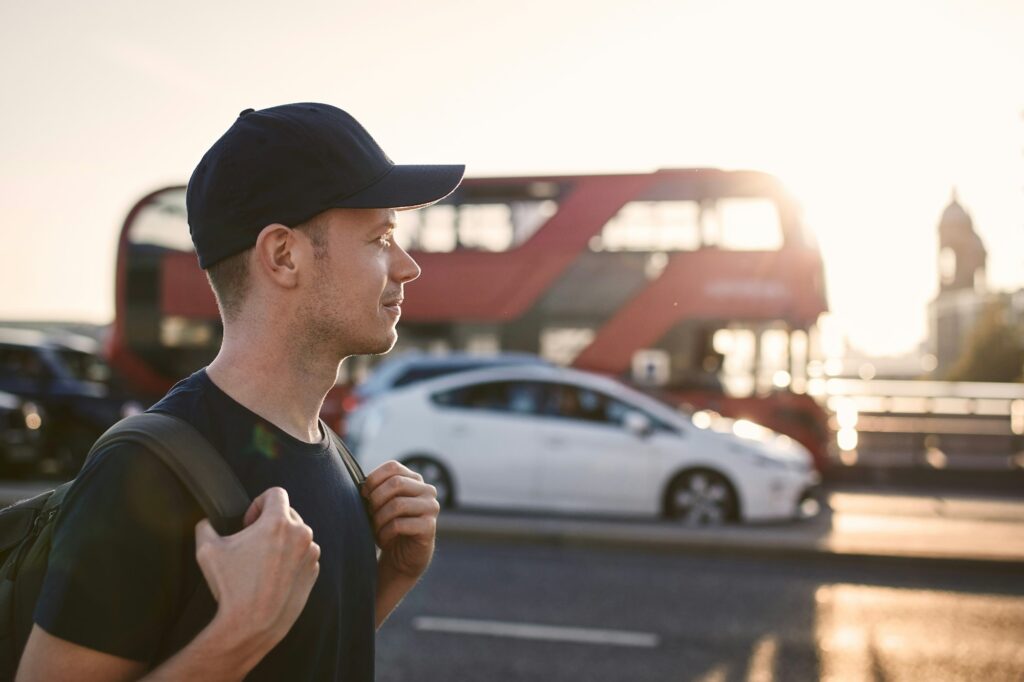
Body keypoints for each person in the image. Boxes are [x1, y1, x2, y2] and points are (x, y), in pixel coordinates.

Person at [16, 103, 465, 681]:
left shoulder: (333, 456)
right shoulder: (141, 475)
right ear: (284, 255)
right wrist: (238, 635)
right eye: (380, 237)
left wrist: (394, 574)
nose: (407, 267)